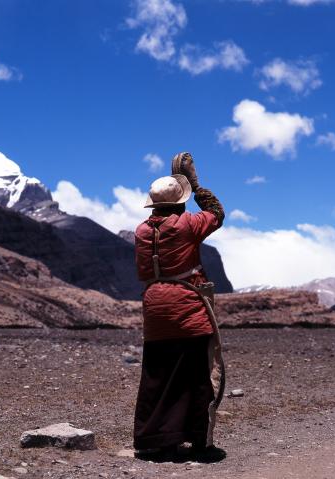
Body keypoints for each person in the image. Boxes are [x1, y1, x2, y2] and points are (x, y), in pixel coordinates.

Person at [133, 152, 226, 462]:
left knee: (157, 374)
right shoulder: (188, 225)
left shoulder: (141, 232)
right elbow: (217, 213)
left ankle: (153, 439)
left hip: (155, 310)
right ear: (180, 202)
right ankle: (199, 440)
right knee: (196, 374)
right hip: (187, 308)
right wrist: (195, 183)